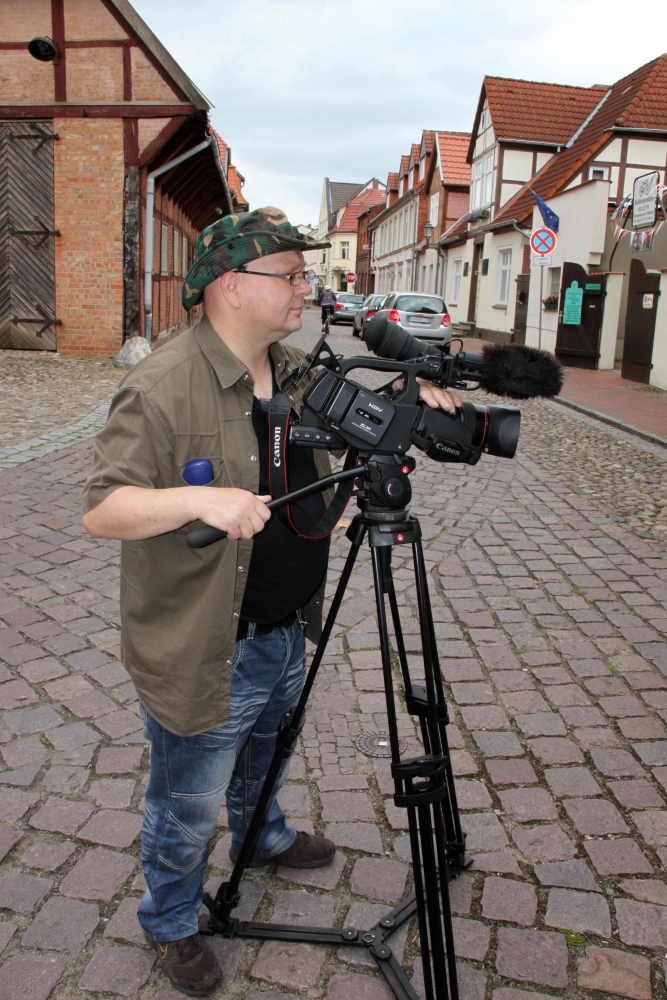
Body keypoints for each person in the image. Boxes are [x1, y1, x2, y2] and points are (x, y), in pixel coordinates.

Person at [82, 206, 460, 997]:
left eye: (302, 275)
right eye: (288, 275)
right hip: (207, 643)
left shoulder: (294, 370)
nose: (304, 288)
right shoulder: (159, 387)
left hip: (289, 628)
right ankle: (172, 920)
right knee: (185, 806)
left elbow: (325, 448)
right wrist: (200, 503)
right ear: (230, 284)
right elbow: (104, 508)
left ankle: (264, 836)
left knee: (270, 753)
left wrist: (410, 399)